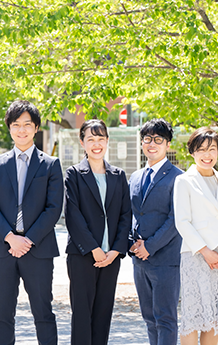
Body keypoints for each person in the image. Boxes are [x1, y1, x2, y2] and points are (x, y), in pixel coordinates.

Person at [0, 100, 64, 345]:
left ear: (36, 128)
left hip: (38, 249)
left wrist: (27, 240)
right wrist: (11, 238)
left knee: (44, 313)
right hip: (2, 248)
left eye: (27, 125)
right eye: (16, 125)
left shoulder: (50, 165)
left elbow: (53, 208)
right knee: (3, 315)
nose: (22, 130)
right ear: (9, 128)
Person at [64, 119, 131, 345]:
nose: (96, 144)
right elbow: (72, 215)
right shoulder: (73, 174)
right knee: (82, 316)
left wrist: (116, 251)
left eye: (100, 138)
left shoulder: (119, 175)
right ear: (82, 143)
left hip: (111, 257)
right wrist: (93, 248)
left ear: (107, 141)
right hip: (82, 255)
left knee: (103, 315)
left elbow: (125, 215)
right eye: (90, 139)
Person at [173, 127, 218, 345]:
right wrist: (205, 251)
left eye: (212, 149)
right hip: (196, 254)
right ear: (192, 153)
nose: (207, 154)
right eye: (201, 149)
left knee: (216, 312)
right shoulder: (184, 181)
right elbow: (182, 221)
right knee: (193, 314)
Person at [129, 119, 183, 345]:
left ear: (168, 145)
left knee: (165, 318)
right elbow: (129, 214)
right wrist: (131, 243)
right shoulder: (135, 176)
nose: (152, 144)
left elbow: (176, 219)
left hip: (165, 260)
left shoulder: (179, 177)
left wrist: (149, 246)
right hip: (139, 260)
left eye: (158, 140)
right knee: (149, 318)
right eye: (148, 139)